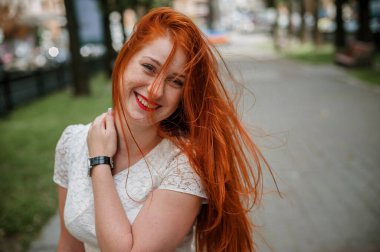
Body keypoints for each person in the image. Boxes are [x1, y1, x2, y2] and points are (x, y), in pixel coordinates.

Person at [54, 7, 277, 252]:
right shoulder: (72, 142)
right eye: (149, 67)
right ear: (125, 58)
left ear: (185, 94)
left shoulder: (185, 165)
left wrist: (100, 162)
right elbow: (68, 244)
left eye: (176, 81)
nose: (155, 90)